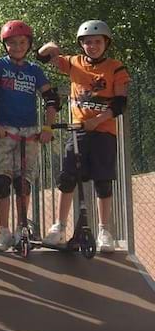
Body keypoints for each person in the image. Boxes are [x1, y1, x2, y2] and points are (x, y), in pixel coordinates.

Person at [37, 20, 130, 253]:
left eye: (97, 42)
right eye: (88, 42)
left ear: (105, 43)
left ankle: (104, 230)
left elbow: (120, 103)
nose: (93, 46)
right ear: (82, 44)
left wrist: (97, 121)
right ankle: (59, 227)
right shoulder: (73, 63)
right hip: (78, 131)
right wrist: (51, 47)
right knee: (67, 178)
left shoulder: (116, 68)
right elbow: (43, 56)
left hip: (103, 131)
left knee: (102, 182)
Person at [0, 20, 58, 251]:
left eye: (22, 42)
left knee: (22, 183)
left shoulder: (34, 70)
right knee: (2, 181)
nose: (17, 46)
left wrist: (47, 128)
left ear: (29, 44)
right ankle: (4, 231)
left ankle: (21, 227)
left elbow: (52, 99)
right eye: (12, 43)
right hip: (5, 130)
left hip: (29, 131)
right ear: (5, 45)